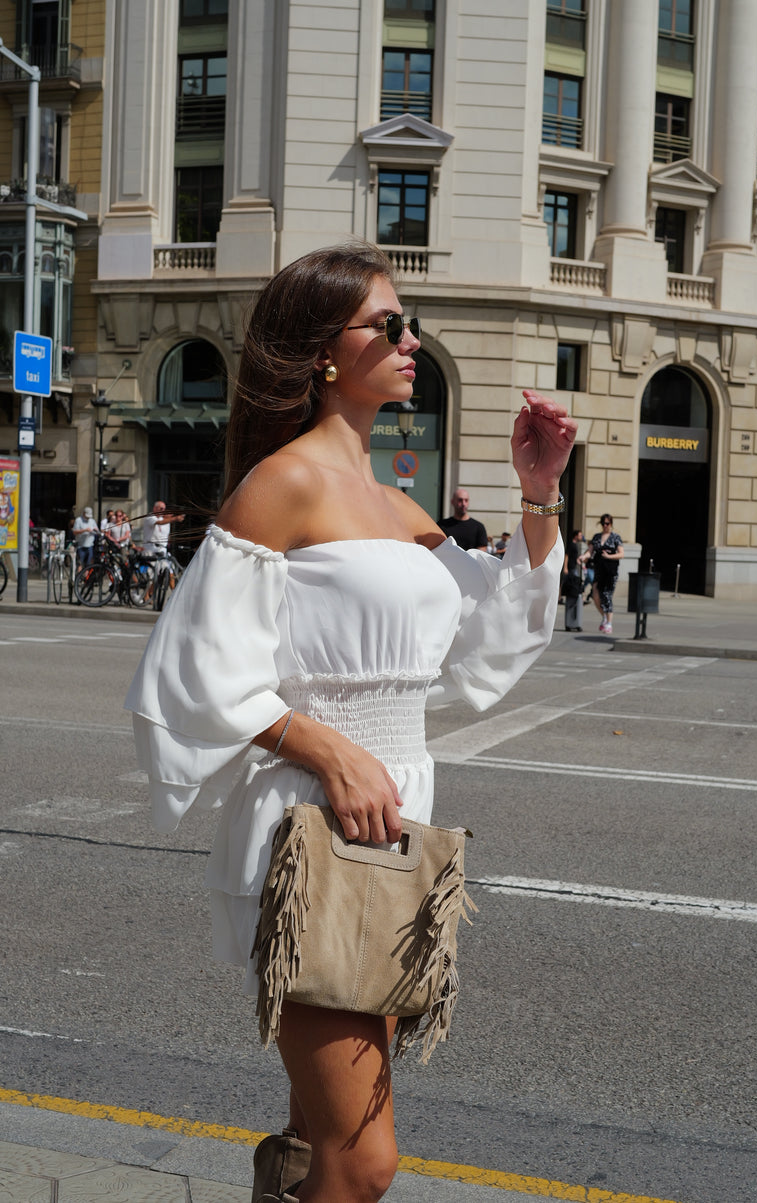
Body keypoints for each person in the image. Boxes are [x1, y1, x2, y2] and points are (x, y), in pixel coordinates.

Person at [125, 243, 576, 1203]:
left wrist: (538, 496)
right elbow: (197, 667)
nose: (412, 339)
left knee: (316, 1134)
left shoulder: (396, 502)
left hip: (393, 824)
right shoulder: (281, 484)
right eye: (389, 324)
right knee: (363, 1158)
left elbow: (481, 646)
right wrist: (331, 752)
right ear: (324, 352)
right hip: (311, 826)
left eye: (408, 323)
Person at [589, 513, 624, 634]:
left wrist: (609, 556)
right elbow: (590, 552)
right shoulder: (597, 537)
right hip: (599, 571)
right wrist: (583, 556)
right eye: (603, 523)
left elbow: (621, 554)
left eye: (607, 523)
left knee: (607, 596)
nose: (605, 526)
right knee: (595, 595)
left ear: (611, 524)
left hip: (610, 572)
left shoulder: (615, 537)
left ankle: (609, 623)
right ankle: (604, 616)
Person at [563, 528, 588, 631]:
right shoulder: (571, 544)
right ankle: (562, 597)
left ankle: (579, 598)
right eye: (580, 535)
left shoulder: (575, 545)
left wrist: (578, 561)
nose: (581, 536)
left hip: (574, 568)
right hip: (571, 569)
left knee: (574, 588)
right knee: (572, 588)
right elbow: (567, 556)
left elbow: (573, 557)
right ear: (575, 536)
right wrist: (565, 567)